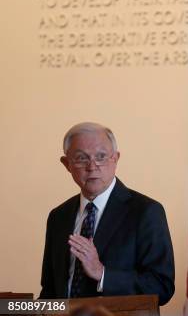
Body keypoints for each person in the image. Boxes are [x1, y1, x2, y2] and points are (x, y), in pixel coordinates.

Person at [40, 122, 174, 305]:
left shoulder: (146, 211)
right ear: (66, 164)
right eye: (81, 158)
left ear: (116, 159)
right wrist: (16, 309)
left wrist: (102, 274)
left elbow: (162, 287)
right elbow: (49, 293)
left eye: (101, 156)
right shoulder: (58, 217)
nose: (92, 166)